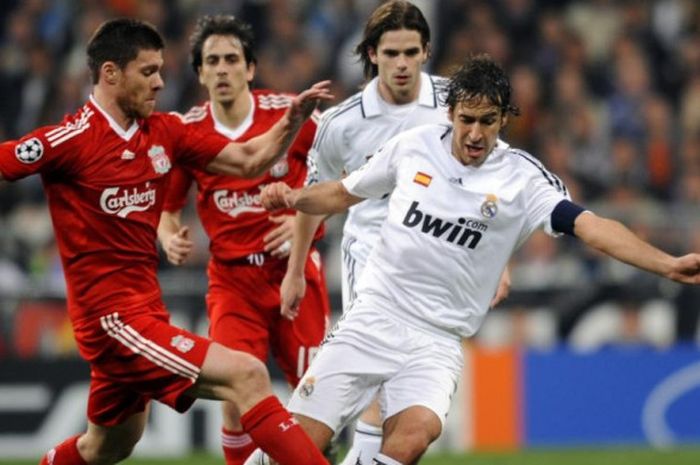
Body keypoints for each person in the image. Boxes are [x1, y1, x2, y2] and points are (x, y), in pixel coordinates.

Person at [247, 54, 700, 465]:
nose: (476, 134)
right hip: (375, 316)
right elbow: (344, 191)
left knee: (417, 432)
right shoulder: (415, 146)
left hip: (438, 338)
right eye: (467, 120)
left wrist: (665, 263)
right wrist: (293, 196)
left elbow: (592, 227)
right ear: (450, 113)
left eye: (488, 121)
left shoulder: (523, 179)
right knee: (300, 441)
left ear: (504, 118)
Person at [0, 18, 334, 465]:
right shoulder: (72, 140)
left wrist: (290, 122)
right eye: (148, 71)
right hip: (113, 321)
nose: (161, 81)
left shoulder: (165, 131)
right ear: (110, 73)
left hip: (144, 311)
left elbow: (249, 159)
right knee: (247, 375)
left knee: (108, 445)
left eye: (160, 70)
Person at [279, 3, 509, 463]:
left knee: (406, 411)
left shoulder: (454, 104)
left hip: (439, 256)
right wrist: (296, 270)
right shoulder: (341, 123)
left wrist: (498, 262)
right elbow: (316, 194)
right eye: (390, 53)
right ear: (371, 54)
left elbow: (499, 181)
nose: (401, 63)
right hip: (371, 255)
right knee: (378, 385)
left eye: (410, 52)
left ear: (425, 51)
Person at [157, 15, 331, 465]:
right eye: (211, 61)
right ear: (199, 72)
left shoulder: (291, 114)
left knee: (317, 396)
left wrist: (300, 224)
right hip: (232, 282)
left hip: (294, 271)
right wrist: (168, 235)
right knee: (236, 393)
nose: (222, 69)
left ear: (250, 68)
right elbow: (167, 208)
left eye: (231, 59)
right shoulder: (187, 132)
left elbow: (339, 181)